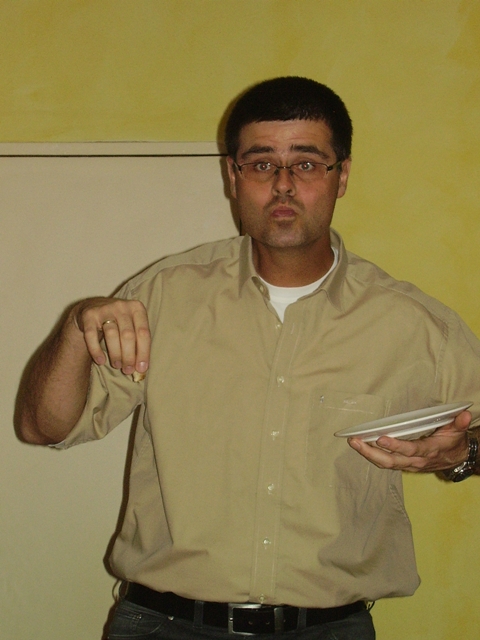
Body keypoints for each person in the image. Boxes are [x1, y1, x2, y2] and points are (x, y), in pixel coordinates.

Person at [16, 77, 480, 640]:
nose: (283, 185)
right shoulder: (162, 297)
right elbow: (42, 427)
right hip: (165, 625)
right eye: (262, 164)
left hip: (329, 629)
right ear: (233, 177)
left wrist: (464, 453)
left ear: (342, 176)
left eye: (306, 164)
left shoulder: (414, 324)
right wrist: (75, 326)